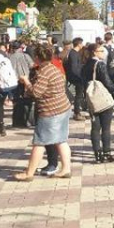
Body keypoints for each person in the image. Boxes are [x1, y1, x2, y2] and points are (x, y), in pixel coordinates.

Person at [14, 44, 72, 180]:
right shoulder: (53, 68)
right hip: (63, 107)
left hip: (50, 111)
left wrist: (27, 82)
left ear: (37, 57)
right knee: (61, 140)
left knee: (39, 142)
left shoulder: (44, 72)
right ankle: (66, 169)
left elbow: (36, 93)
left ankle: (29, 173)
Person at [81, 42, 114, 162]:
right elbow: (107, 81)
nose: (104, 53)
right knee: (106, 127)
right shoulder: (99, 64)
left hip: (91, 98)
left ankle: (97, 153)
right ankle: (107, 152)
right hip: (102, 98)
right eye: (101, 51)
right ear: (95, 52)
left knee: (95, 127)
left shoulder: (85, 64)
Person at [9, 42, 34, 128]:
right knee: (26, 101)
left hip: (14, 81)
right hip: (25, 80)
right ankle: (26, 121)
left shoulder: (10, 57)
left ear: (12, 48)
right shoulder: (25, 56)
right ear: (20, 48)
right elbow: (32, 66)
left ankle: (16, 122)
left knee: (16, 101)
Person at [66, 37, 85, 120]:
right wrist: (79, 77)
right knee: (79, 95)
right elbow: (74, 68)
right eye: (82, 43)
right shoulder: (73, 53)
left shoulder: (76, 53)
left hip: (77, 76)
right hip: (76, 77)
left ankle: (78, 111)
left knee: (79, 95)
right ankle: (77, 113)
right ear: (79, 44)